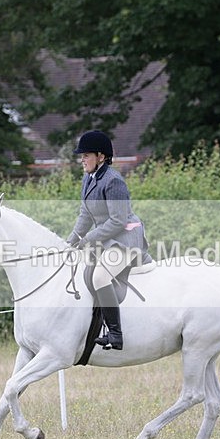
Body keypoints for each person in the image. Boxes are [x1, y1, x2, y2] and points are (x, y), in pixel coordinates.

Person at [66, 130, 152, 351]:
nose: (82, 159)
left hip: (125, 239)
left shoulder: (113, 181)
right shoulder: (88, 178)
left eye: (86, 155)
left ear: (101, 157)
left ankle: (115, 334)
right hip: (107, 239)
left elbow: (118, 221)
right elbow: (85, 215)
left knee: (100, 276)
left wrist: (88, 239)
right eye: (82, 155)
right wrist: (69, 241)